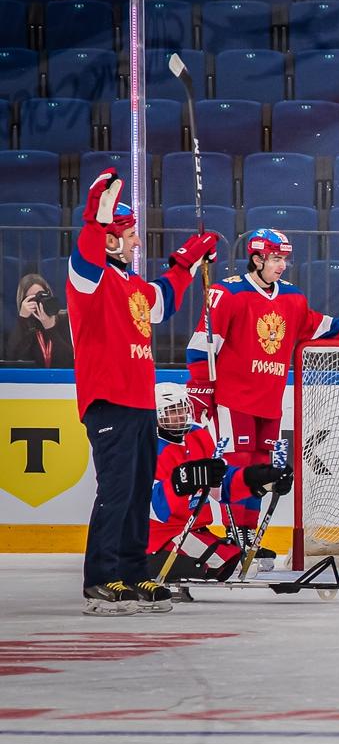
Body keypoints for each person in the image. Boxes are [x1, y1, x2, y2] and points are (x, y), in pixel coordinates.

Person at [184, 228, 339, 562]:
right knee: (237, 466)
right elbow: (202, 347)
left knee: (261, 470)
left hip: (269, 402)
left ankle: (248, 539)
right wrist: (200, 390)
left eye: (284, 259)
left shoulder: (292, 298)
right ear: (256, 259)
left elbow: (315, 324)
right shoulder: (227, 293)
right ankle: (235, 540)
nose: (282, 265)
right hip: (234, 399)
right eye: (275, 259)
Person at [66, 168, 218, 615]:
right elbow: (88, 249)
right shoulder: (87, 278)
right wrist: (98, 215)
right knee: (115, 491)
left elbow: (162, 301)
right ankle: (100, 579)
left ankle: (133, 574)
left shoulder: (132, 284)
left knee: (135, 491)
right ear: (110, 238)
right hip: (108, 400)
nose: (137, 243)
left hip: (139, 402)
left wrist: (186, 263)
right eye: (130, 235)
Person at [147, 383, 293, 584]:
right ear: (154, 415)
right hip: (156, 537)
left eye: (182, 409)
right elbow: (152, 508)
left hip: (193, 530)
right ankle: (149, 563)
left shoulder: (197, 435)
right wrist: (180, 483)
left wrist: (260, 479)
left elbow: (222, 483)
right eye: (171, 412)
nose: (180, 416)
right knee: (225, 565)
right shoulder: (146, 447)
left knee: (233, 559)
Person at [6, 274, 74, 367]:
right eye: (31, 299)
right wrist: (22, 319)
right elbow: (12, 357)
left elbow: (69, 361)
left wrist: (50, 328)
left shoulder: (65, 319)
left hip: (62, 380)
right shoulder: (25, 325)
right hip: (33, 380)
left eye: (40, 296)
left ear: (48, 294)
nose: (38, 302)